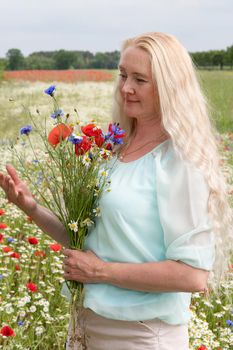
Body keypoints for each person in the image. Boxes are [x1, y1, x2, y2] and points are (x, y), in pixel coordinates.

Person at [0, 32, 231, 350]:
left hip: (141, 336)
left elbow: (192, 275)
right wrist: (31, 207)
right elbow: (87, 245)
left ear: (168, 86)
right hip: (84, 326)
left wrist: (102, 272)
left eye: (140, 79)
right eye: (122, 75)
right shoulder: (112, 151)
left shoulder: (180, 161)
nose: (126, 88)